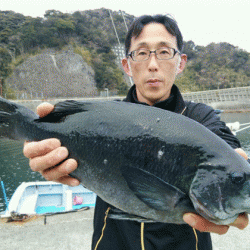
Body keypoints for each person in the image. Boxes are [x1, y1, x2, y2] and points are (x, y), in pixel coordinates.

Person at [23, 15, 249, 249]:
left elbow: (228, 147)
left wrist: (237, 169)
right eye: (141, 53)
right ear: (127, 65)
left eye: (164, 52)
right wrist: (45, 154)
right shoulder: (103, 117)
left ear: (180, 62)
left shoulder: (202, 119)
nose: (153, 64)